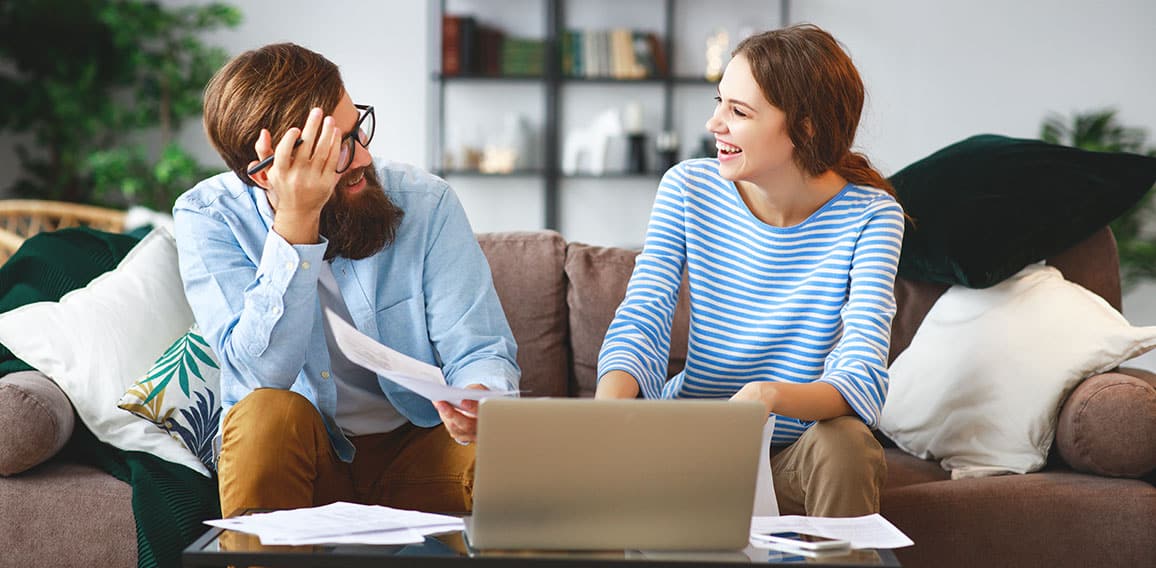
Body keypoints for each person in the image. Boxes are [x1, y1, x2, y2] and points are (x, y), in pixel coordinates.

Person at [174, 43, 519, 518]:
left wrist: (480, 399)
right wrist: (296, 221)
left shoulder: (426, 201)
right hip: (304, 457)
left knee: (511, 453)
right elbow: (259, 376)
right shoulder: (209, 217)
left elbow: (479, 351)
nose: (363, 156)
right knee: (263, 414)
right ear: (266, 172)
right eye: (336, 147)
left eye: (357, 130)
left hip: (418, 449)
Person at [595, 24, 905, 517]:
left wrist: (768, 396)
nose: (714, 123)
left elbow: (862, 376)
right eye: (720, 102)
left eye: (738, 112)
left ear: (804, 128)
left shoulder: (870, 216)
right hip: (690, 444)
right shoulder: (687, 187)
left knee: (846, 446)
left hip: (793, 456)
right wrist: (607, 419)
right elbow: (643, 320)